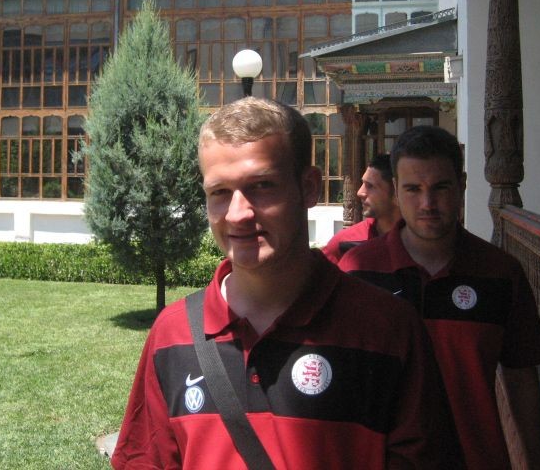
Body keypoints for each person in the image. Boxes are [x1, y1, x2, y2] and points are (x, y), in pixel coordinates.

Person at [112, 98, 461, 469]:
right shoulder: (172, 334)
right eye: (220, 193)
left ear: (308, 187)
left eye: (262, 186)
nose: (237, 214)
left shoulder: (388, 329)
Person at [338, 125, 540, 470]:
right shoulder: (358, 272)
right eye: (413, 189)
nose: (427, 204)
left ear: (462, 185)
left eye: (440, 187)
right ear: (396, 191)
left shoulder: (500, 273)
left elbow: (521, 381)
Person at [322, 153, 402, 264]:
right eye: (362, 183)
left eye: (370, 186)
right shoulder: (345, 242)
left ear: (396, 192)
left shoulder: (419, 243)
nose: (360, 192)